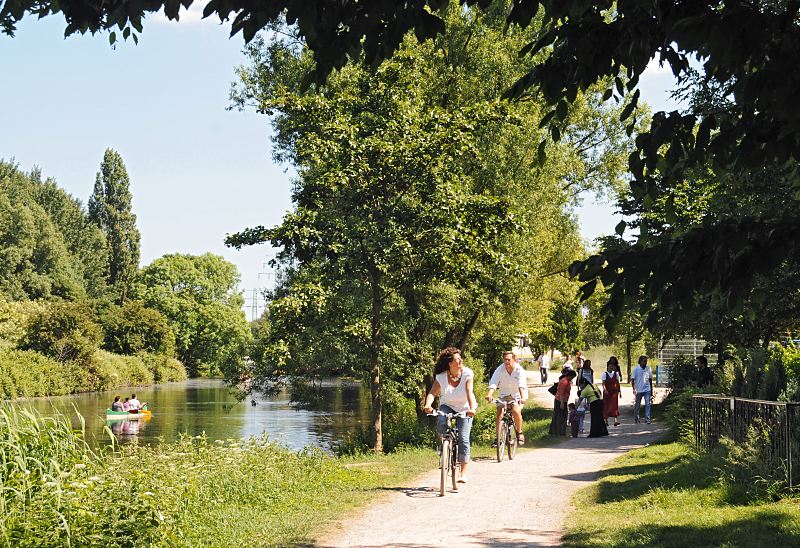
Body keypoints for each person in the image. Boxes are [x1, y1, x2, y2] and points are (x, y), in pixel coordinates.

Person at [423, 347, 477, 483]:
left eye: (460, 358)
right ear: (449, 363)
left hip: (465, 408)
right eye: (457, 359)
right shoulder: (441, 377)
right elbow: (432, 393)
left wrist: (471, 408)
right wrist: (428, 405)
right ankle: (445, 446)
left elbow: (469, 392)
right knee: (441, 424)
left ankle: (463, 473)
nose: (461, 361)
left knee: (464, 438)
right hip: (447, 406)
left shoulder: (467, 374)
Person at [486, 351, 527, 445]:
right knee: (500, 412)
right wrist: (489, 395)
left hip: (518, 395)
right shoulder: (500, 369)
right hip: (504, 395)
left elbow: (521, 385)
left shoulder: (519, 370)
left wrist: (522, 397)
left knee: (516, 411)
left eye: (509, 359)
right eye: (505, 359)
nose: (506, 362)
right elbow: (494, 383)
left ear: (514, 360)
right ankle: (498, 438)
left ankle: (519, 432)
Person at [548, 368, 576, 436]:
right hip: (560, 401)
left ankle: (560, 431)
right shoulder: (564, 382)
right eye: (572, 377)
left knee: (562, 416)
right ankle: (558, 432)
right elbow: (561, 393)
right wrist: (562, 403)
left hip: (563, 400)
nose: (572, 379)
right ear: (569, 375)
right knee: (560, 416)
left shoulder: (567, 381)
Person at [631, 355, 653, 424]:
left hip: (647, 389)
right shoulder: (636, 369)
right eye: (644, 361)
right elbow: (632, 380)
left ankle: (647, 418)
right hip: (639, 389)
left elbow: (650, 379)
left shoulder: (648, 368)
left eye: (646, 361)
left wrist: (651, 389)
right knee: (638, 404)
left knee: (647, 404)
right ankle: (636, 418)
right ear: (640, 361)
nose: (645, 362)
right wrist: (634, 389)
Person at [602, 357, 622, 426]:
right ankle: (606, 421)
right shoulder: (604, 374)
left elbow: (618, 383)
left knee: (614, 406)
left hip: (614, 392)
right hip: (607, 392)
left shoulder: (616, 374)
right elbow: (603, 383)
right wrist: (605, 390)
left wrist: (620, 392)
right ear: (607, 367)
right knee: (606, 405)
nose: (611, 367)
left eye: (612, 366)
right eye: (610, 366)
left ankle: (615, 421)